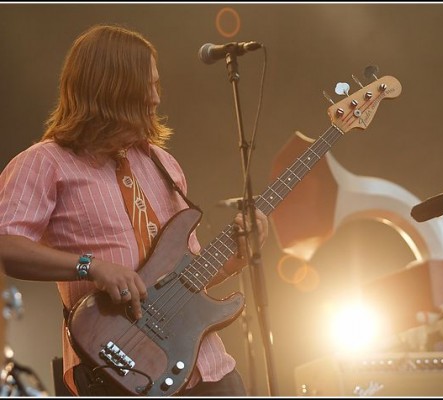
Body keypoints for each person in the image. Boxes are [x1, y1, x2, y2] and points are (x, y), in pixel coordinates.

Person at [0, 24, 268, 396]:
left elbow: (184, 280)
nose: (157, 99)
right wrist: (90, 266)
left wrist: (235, 259)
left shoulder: (164, 164)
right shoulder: (44, 163)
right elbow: (6, 246)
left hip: (207, 369)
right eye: (150, 86)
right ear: (115, 88)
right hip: (118, 369)